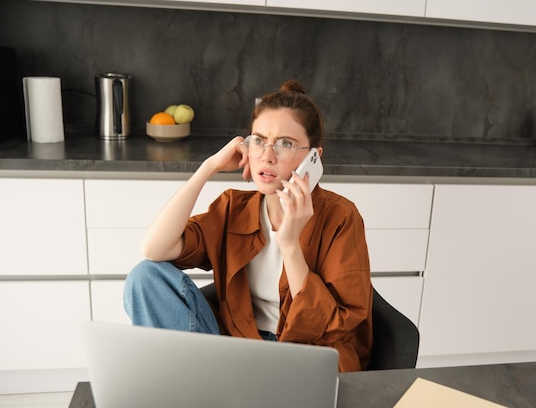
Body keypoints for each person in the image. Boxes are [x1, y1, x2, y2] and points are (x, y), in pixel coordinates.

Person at [124, 80, 373, 372]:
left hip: (307, 359)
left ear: (313, 157)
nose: (267, 156)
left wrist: (290, 244)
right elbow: (155, 248)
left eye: (285, 144)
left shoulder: (341, 217)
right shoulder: (233, 208)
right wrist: (208, 168)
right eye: (258, 140)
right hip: (239, 354)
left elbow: (338, 327)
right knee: (145, 276)